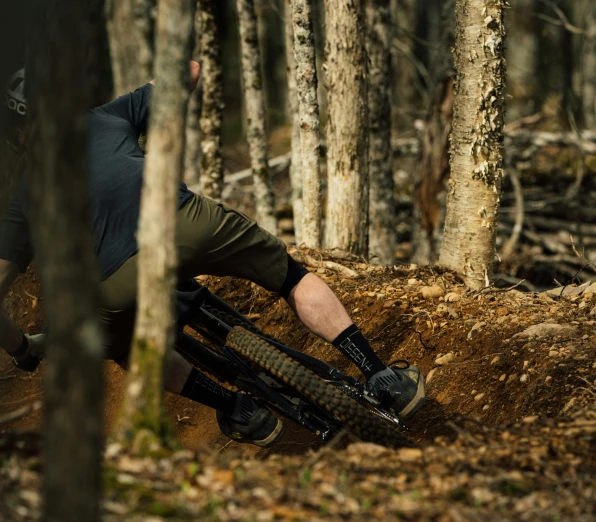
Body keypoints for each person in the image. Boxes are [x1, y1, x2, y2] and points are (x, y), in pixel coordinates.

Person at [0, 56, 425, 448]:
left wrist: (20, 349)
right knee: (291, 278)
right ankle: (380, 375)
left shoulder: (23, 195)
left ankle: (233, 407)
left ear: (18, 131)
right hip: (186, 224)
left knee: (129, 348)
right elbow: (190, 69)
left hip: (115, 278)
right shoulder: (108, 116)